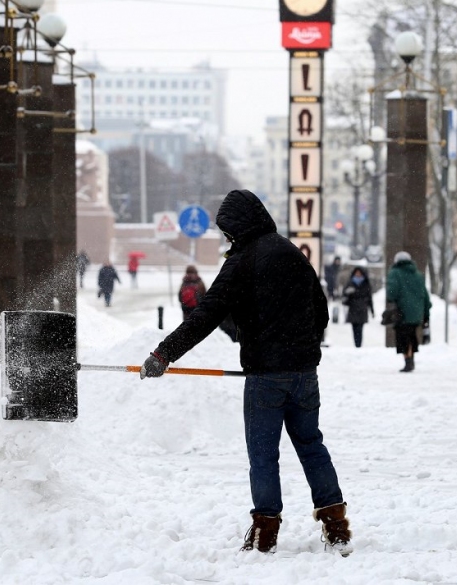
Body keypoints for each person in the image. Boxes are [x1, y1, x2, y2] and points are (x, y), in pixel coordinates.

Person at [139, 189, 352, 556]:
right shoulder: (292, 253)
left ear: (237, 227)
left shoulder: (242, 261)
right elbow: (320, 310)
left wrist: (163, 354)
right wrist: (303, 346)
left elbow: (205, 316)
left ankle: (264, 531)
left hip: (265, 377)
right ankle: (337, 526)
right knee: (312, 446)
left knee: (263, 454)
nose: (227, 238)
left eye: (227, 231)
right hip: (304, 374)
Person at [385, 251, 431, 372]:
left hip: (402, 312)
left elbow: (391, 293)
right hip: (417, 312)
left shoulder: (395, 273)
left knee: (402, 336)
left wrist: (392, 299)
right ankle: (411, 359)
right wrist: (425, 311)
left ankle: (408, 361)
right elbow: (425, 295)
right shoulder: (417, 275)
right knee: (412, 335)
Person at [342, 266, 375, 348]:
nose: (358, 275)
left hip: (362, 309)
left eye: (359, 273)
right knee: (354, 327)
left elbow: (370, 298)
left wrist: (372, 310)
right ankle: (356, 344)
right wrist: (348, 293)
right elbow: (344, 297)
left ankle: (359, 344)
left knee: (360, 328)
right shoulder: (350, 283)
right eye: (357, 273)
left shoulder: (366, 283)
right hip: (353, 308)